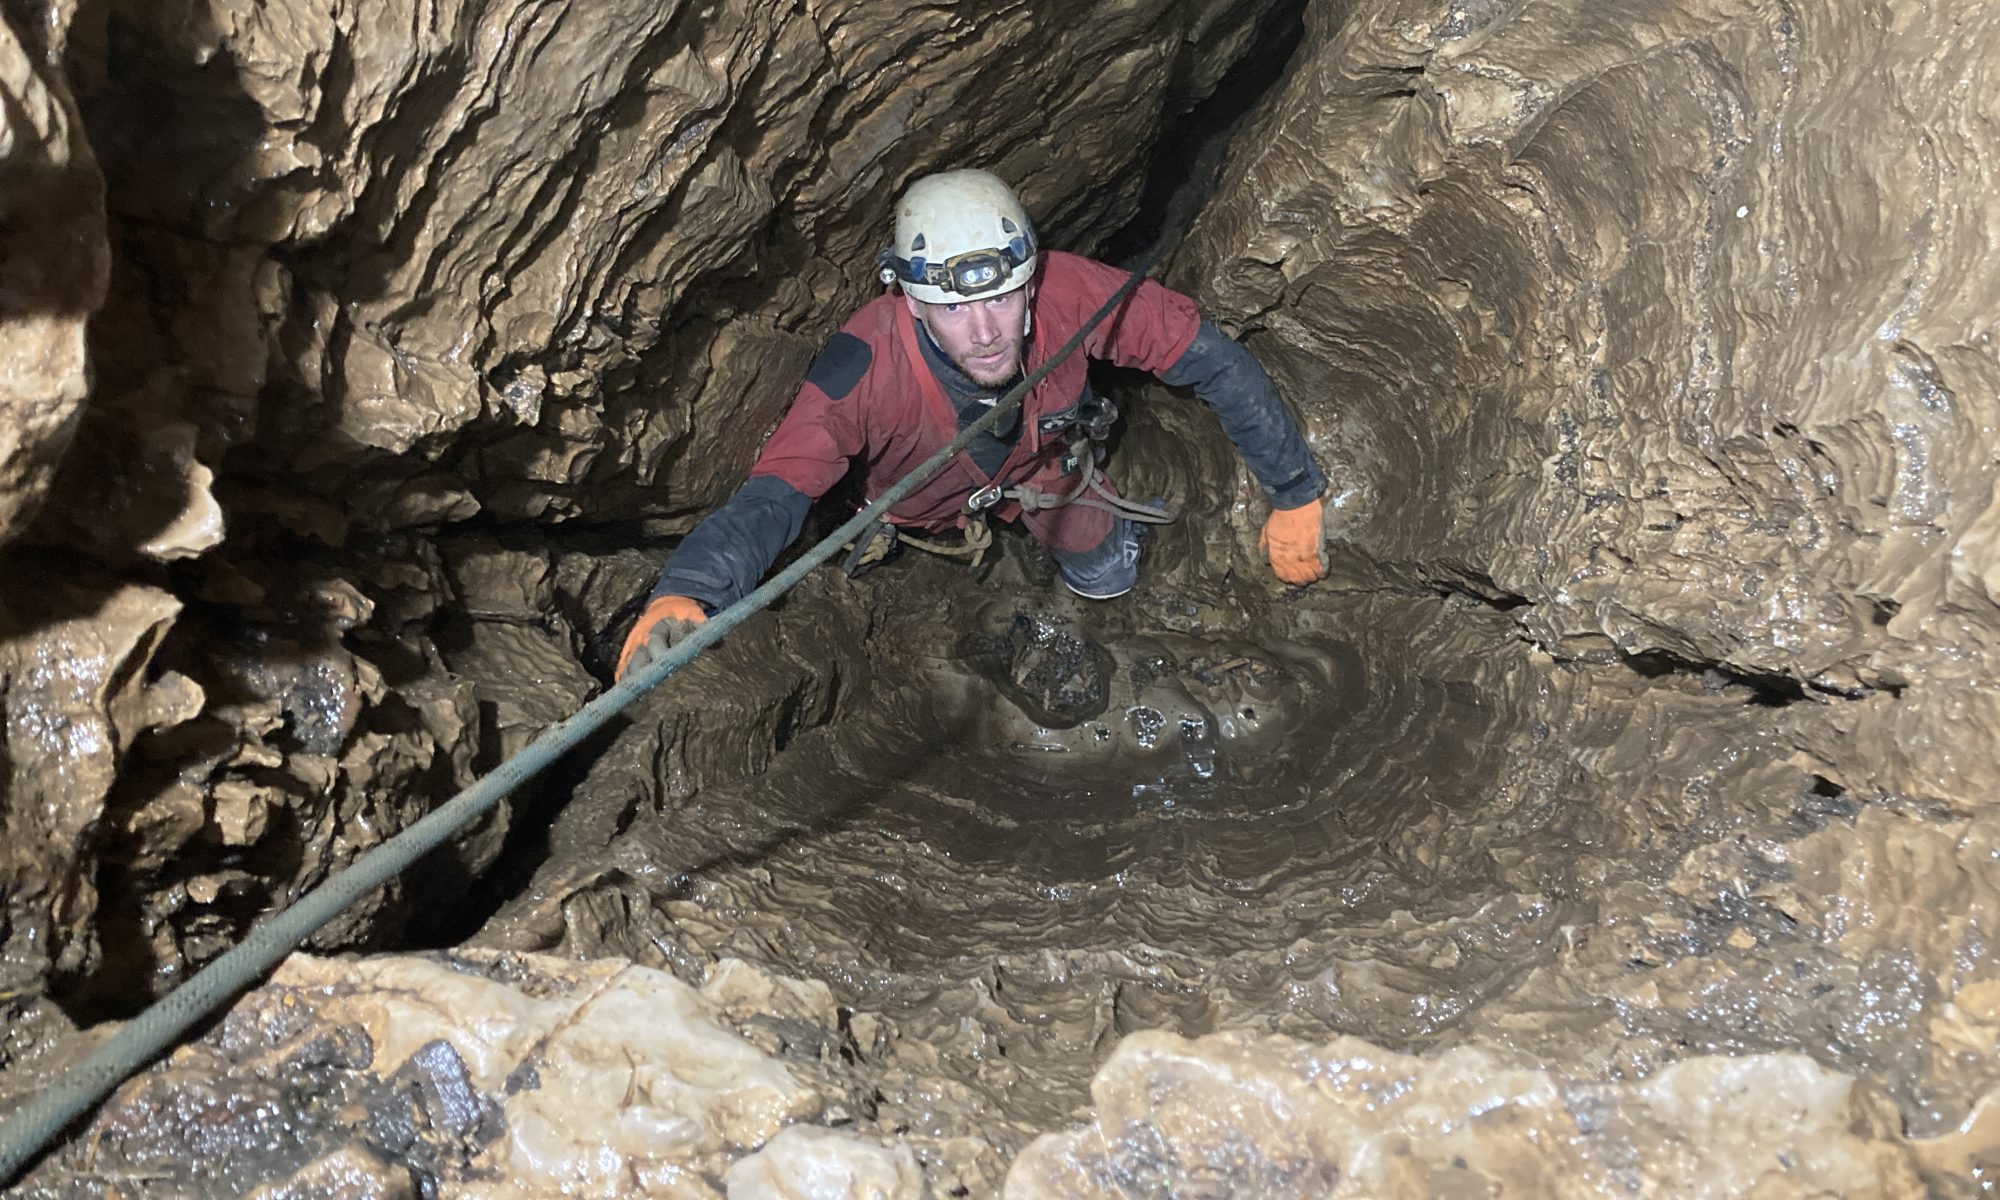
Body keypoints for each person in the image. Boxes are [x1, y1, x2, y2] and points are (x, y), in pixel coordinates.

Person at [617, 169, 1328, 679]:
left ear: (1028, 277)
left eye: (1002, 299)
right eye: (954, 309)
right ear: (913, 303)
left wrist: (1294, 490)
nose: (986, 332)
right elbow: (775, 492)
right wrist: (692, 590)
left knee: (1108, 572)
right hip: (907, 507)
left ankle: (1091, 576)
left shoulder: (1068, 294)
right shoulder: (864, 366)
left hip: (1037, 472)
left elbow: (1208, 358)